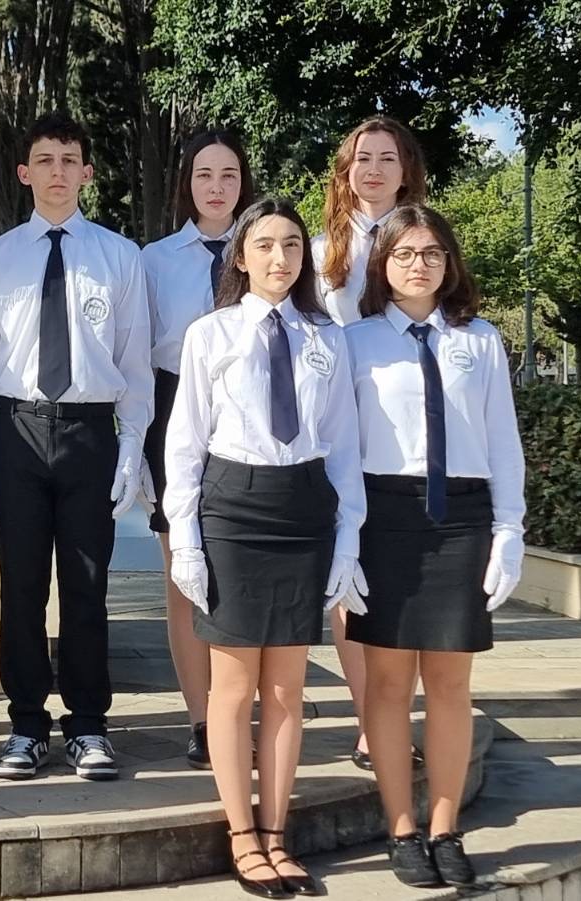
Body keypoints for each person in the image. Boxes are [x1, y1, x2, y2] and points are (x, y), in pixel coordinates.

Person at [163, 197, 366, 898]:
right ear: (241, 257)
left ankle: (278, 834)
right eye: (265, 245)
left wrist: (348, 537)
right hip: (233, 508)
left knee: (286, 687)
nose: (280, 257)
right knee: (233, 686)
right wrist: (186, 539)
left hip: (303, 508)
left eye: (292, 245)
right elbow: (185, 444)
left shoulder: (326, 338)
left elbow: (344, 446)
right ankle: (242, 835)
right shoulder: (210, 334)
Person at [0, 112, 152, 782]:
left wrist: (131, 449)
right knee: (21, 588)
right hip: (18, 432)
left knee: (87, 587)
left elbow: (134, 363)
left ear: (87, 172)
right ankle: (25, 725)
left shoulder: (119, 258)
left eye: (70, 160)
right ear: (24, 172)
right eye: (45, 160)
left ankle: (89, 724)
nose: (58, 172)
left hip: (89, 434)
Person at [345, 203, 524, 889]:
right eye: (404, 253)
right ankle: (401, 828)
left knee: (451, 684)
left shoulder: (480, 340)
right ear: (382, 264)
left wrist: (509, 530)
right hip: (384, 518)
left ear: (449, 262)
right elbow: (343, 450)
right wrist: (345, 540)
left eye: (431, 253)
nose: (418, 264)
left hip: (462, 518)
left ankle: (446, 827)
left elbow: (502, 441)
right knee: (389, 684)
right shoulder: (355, 342)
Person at [313, 115, 430, 771]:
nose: (375, 169)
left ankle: (396, 718)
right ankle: (369, 726)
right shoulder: (317, 250)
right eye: (364, 158)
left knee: (403, 585)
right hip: (339, 432)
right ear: (346, 170)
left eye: (388, 157)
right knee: (349, 580)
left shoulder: (426, 243)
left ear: (406, 170)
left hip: (408, 438)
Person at [140, 130, 257, 770]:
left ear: (244, 182)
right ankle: (202, 720)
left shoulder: (264, 249)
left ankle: (240, 710)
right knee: (183, 574)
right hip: (173, 407)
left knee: (240, 573)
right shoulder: (154, 260)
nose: (216, 187)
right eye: (204, 175)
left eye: (228, 175)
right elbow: (137, 354)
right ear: (186, 183)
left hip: (246, 417)